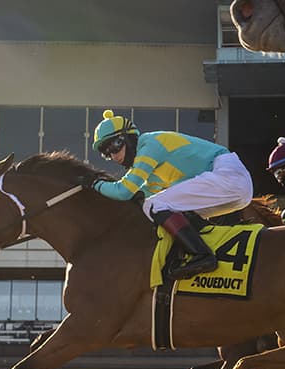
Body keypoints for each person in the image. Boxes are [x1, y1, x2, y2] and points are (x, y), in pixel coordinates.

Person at [90, 110, 254, 279]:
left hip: (227, 175)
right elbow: (140, 195)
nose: (113, 155)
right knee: (163, 208)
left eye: (114, 146)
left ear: (129, 138)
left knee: (154, 206)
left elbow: (124, 191)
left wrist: (94, 183)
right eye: (106, 153)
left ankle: (202, 255)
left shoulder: (150, 144)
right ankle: (194, 254)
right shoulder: (154, 170)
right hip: (235, 190)